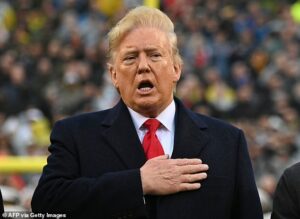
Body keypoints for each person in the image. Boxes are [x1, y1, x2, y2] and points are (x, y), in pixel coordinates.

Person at [31, 6, 263, 219]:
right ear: (113, 75)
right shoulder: (75, 135)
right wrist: (138, 182)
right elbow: (46, 203)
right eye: (130, 58)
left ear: (176, 69)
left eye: (155, 55)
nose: (143, 66)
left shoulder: (228, 141)